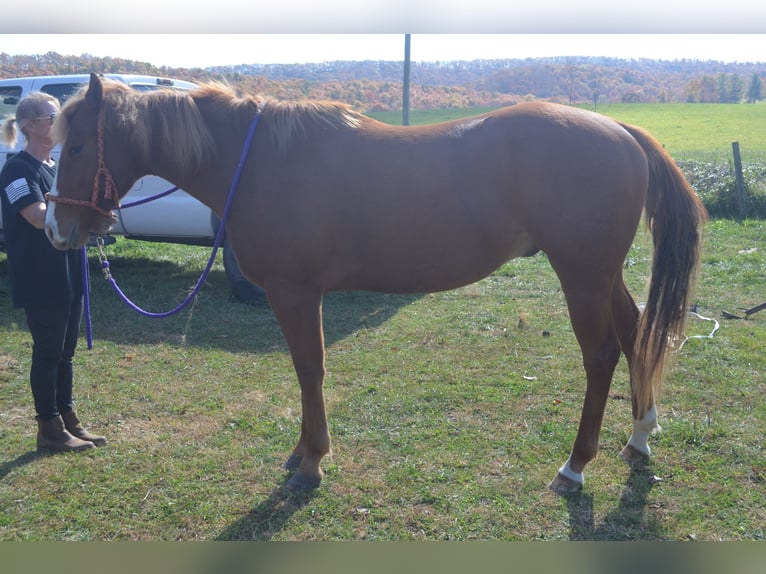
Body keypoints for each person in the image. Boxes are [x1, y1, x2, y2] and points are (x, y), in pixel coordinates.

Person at [1, 92, 107, 452]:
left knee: (66, 352)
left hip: (67, 271)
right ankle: (49, 427)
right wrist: (81, 212)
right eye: (52, 116)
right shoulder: (17, 170)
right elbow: (34, 216)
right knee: (48, 351)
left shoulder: (52, 167)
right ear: (29, 125)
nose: (58, 120)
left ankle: (67, 418)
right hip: (40, 276)